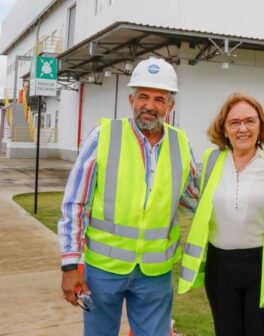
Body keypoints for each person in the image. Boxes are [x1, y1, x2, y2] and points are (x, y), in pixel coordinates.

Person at [58, 57, 198, 336]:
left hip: (155, 273)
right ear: (131, 99)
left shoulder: (181, 144)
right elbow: (75, 203)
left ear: (170, 106)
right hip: (103, 270)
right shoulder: (104, 135)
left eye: (160, 99)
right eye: (143, 96)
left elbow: (194, 198)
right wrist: (70, 264)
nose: (150, 105)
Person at [178, 92, 264, 335]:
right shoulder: (210, 161)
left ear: (261, 125)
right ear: (224, 128)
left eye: (250, 121)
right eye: (235, 122)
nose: (243, 128)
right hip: (221, 269)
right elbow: (190, 197)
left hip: (262, 267)